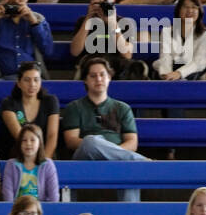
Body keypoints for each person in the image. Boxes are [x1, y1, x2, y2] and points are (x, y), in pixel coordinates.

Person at [61, 55, 149, 203]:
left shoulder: (122, 108)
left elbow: (132, 143)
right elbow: (71, 141)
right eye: (93, 76)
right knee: (90, 141)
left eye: (102, 75)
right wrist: (99, 146)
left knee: (129, 168)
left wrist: (110, 152)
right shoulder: (74, 107)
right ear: (85, 80)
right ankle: (142, 162)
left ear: (109, 78)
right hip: (84, 159)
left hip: (118, 160)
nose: (98, 79)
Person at [68, 0, 138, 80]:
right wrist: (88, 19)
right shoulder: (83, 21)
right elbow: (75, 51)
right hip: (91, 71)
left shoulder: (125, 22)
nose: (101, 0)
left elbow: (127, 54)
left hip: (117, 71)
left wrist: (113, 23)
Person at [0, 61, 59, 162]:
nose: (32, 84)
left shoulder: (50, 101)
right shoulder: (9, 103)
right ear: (19, 83)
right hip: (17, 156)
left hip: (45, 155)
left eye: (36, 80)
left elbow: (52, 136)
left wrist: (44, 162)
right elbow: (20, 136)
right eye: (27, 80)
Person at [153, 0, 206, 81]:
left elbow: (199, 61)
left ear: (199, 12)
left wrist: (179, 73)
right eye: (185, 7)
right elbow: (165, 56)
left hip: (194, 68)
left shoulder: (205, 33)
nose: (190, 10)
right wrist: (167, 75)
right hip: (172, 67)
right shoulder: (167, 31)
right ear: (178, 10)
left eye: (194, 7)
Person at [0, 122, 59, 202]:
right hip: (17, 210)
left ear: (39, 143)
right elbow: (7, 195)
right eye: (24, 140)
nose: (28, 143)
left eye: (33, 140)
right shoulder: (11, 165)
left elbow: (54, 197)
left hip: (40, 210)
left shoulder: (48, 164)